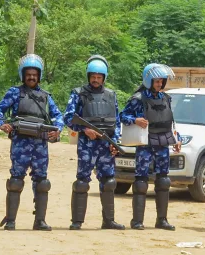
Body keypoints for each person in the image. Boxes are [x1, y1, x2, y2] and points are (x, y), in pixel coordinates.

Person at [0, 54, 63, 231]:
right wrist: (1, 123)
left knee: (42, 182)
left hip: (40, 144)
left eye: (34, 75)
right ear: (23, 75)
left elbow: (58, 116)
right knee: (16, 181)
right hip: (20, 143)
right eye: (28, 74)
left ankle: (40, 221)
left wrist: (58, 129)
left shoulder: (45, 96)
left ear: (39, 76)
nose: (31, 77)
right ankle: (10, 221)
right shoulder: (14, 93)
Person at [64, 55, 123, 231]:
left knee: (109, 182)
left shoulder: (111, 95)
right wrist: (83, 129)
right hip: (87, 144)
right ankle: (77, 221)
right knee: (82, 182)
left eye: (99, 77)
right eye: (93, 77)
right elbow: (68, 117)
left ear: (104, 78)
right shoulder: (78, 94)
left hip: (106, 144)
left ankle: (108, 221)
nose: (95, 80)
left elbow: (117, 121)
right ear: (88, 76)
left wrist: (115, 142)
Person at [120, 63, 181, 231]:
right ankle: (137, 221)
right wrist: (135, 120)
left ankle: (162, 220)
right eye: (157, 81)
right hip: (145, 144)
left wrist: (177, 139)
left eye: (162, 81)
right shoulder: (138, 98)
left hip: (163, 143)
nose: (160, 84)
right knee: (141, 182)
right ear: (149, 81)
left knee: (163, 181)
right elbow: (123, 116)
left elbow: (171, 121)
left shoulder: (166, 98)